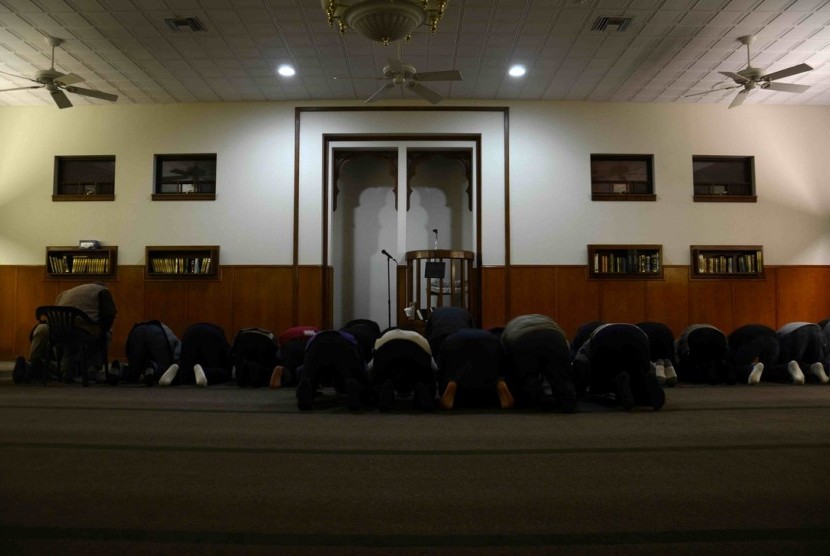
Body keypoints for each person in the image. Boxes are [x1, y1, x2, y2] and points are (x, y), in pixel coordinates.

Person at [14, 282, 116, 384]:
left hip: (57, 330)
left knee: (66, 348)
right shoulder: (102, 291)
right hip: (80, 331)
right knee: (106, 334)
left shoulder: (66, 292)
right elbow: (109, 315)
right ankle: (92, 369)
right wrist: (102, 328)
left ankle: (33, 366)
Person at [573, 323, 665, 411]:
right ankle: (645, 383)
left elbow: (580, 360)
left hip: (604, 338)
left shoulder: (589, 339)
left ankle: (617, 388)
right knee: (637, 374)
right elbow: (646, 362)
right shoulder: (621, 328)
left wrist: (580, 389)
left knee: (602, 379)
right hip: (639, 336)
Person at [500, 314, 577, 412]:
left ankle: (540, 404)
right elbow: (566, 349)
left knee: (528, 377)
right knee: (560, 375)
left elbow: (506, 354)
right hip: (554, 336)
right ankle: (568, 403)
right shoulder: (546, 319)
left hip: (522, 338)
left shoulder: (509, 328)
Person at [435, 327, 515, 410]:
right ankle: (498, 382)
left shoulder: (450, 337)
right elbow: (504, 363)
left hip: (454, 341)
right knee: (493, 371)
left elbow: (440, 366)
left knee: (453, 371)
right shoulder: (494, 335)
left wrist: (442, 382)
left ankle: (453, 381)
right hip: (489, 341)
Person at [295, 329, 369, 411]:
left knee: (310, 375)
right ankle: (351, 383)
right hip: (343, 344)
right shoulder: (350, 337)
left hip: (317, 343)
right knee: (352, 375)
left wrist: (304, 376)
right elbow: (362, 365)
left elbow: (303, 366)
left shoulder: (314, 337)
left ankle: (308, 385)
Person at [368, 327, 438, 412]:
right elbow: (434, 367)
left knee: (380, 379)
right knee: (424, 378)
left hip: (387, 348)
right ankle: (422, 389)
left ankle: (383, 390)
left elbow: (370, 367)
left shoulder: (382, 337)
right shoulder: (419, 336)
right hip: (417, 348)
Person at [158, 322, 233, 388]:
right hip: (213, 335)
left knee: (186, 370)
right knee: (224, 373)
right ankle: (206, 373)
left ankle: (175, 376)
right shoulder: (219, 333)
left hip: (189, 333)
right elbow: (227, 360)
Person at [118, 320, 181, 385]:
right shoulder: (177, 343)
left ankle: (120, 369)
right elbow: (176, 355)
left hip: (137, 330)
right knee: (165, 369)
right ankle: (153, 367)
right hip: (157, 333)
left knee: (133, 371)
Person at [636, 322, 678, 386]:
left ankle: (656, 370)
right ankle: (667, 369)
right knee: (667, 358)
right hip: (665, 331)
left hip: (643, 334)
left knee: (644, 362)